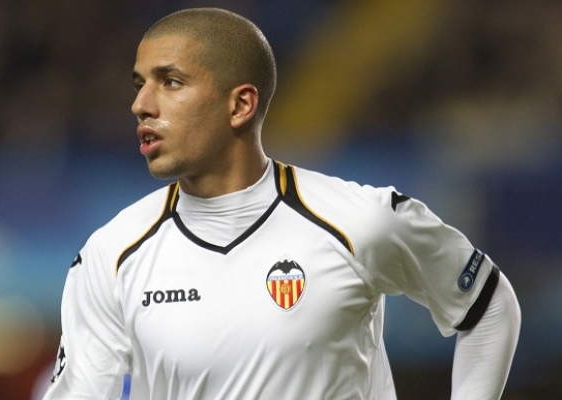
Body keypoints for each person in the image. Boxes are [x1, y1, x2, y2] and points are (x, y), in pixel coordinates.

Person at [42, 7, 521, 400]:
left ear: (240, 105)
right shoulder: (110, 253)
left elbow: (489, 306)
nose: (141, 104)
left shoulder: (362, 220)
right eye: (139, 84)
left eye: (169, 82)